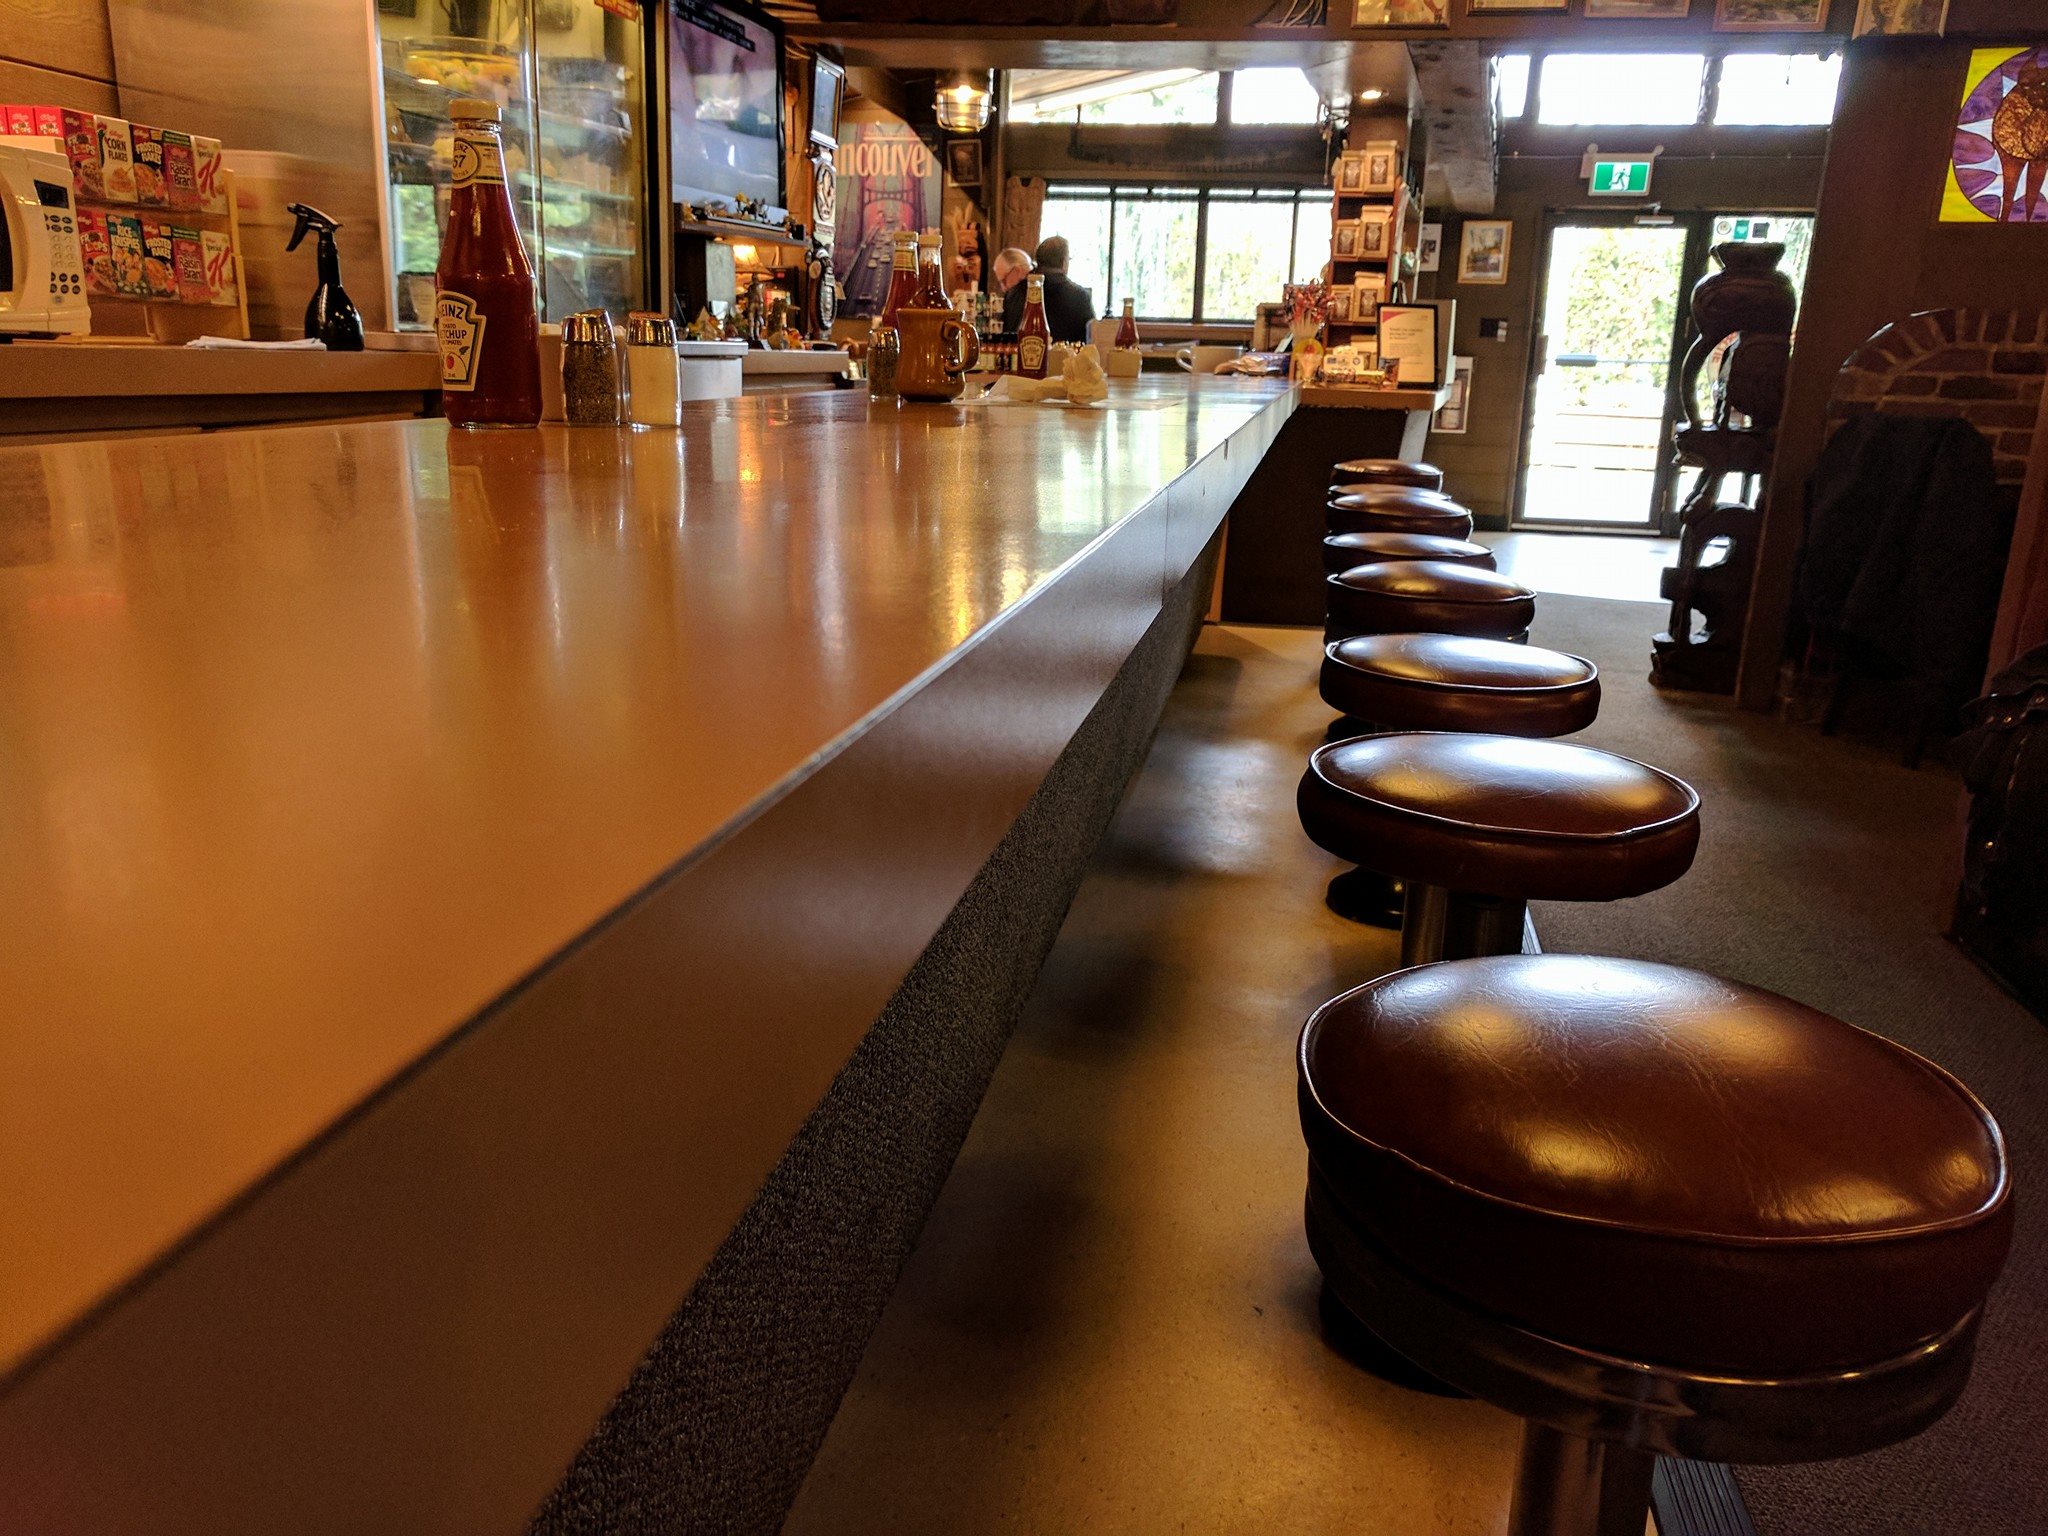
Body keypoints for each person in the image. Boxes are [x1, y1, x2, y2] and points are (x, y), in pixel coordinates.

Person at [1002, 236, 1096, 343]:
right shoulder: (1080, 297)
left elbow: (1006, 337)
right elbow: (1091, 343)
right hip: (1065, 359)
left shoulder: (1013, 294)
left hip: (1019, 358)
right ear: (1064, 262)